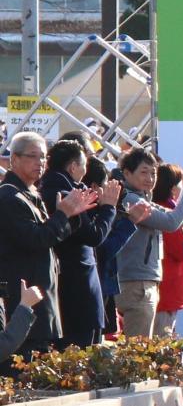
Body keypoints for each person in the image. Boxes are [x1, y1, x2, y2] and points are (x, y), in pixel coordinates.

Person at [0, 132, 102, 357]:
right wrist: (63, 213)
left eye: (43, 157)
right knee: (22, 376)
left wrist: (71, 216)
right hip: (23, 304)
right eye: (33, 156)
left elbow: (52, 237)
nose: (40, 163)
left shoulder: (30, 194)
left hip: (41, 303)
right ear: (14, 159)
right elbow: (36, 239)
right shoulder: (9, 198)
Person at [39, 139, 122, 348]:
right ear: (73, 167)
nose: (85, 171)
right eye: (84, 165)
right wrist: (109, 208)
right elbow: (94, 235)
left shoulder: (48, 188)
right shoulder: (65, 194)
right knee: (79, 358)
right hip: (78, 288)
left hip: (67, 287)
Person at [114, 150, 183, 338]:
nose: (150, 178)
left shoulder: (141, 198)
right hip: (135, 282)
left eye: (153, 173)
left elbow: (172, 217)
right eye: (144, 172)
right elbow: (171, 223)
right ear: (127, 174)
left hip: (141, 280)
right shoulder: (131, 199)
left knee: (142, 348)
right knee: (138, 350)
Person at [154, 163, 183, 336]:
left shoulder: (164, 209)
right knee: (160, 340)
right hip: (166, 290)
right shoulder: (167, 211)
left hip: (165, 289)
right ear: (173, 189)